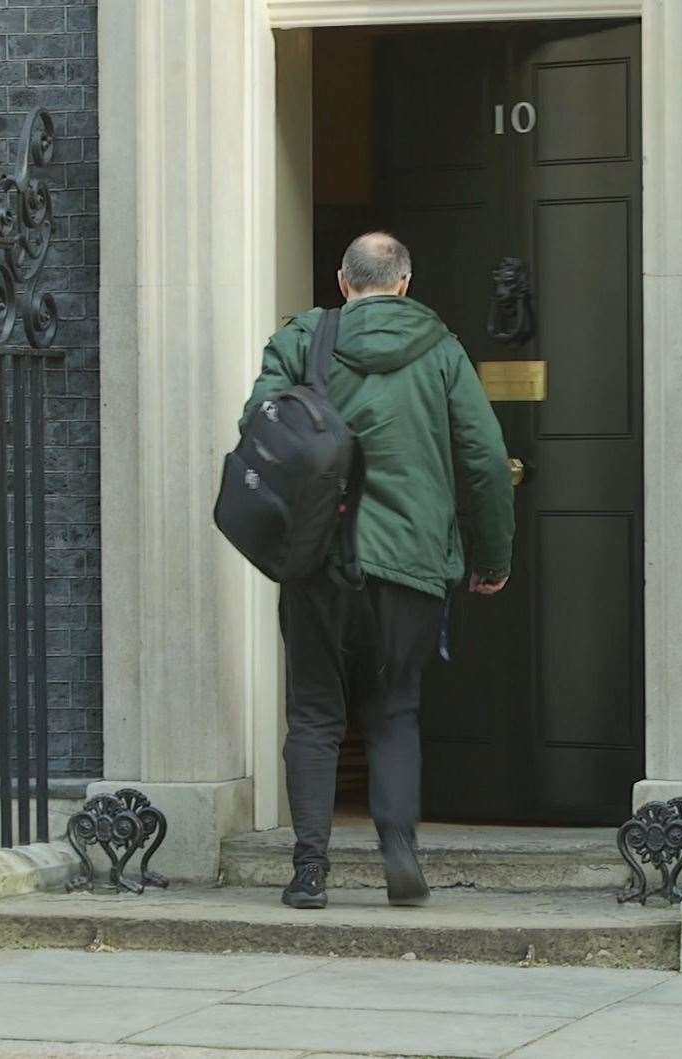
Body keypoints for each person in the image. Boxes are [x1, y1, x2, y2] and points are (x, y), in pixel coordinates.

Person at [239, 232, 514, 909]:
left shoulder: (303, 339)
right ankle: (398, 854)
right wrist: (491, 557)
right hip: (412, 564)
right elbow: (483, 458)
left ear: (342, 280)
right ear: (405, 283)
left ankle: (309, 870)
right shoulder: (442, 350)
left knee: (313, 713)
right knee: (393, 712)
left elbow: (257, 424)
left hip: (319, 559)